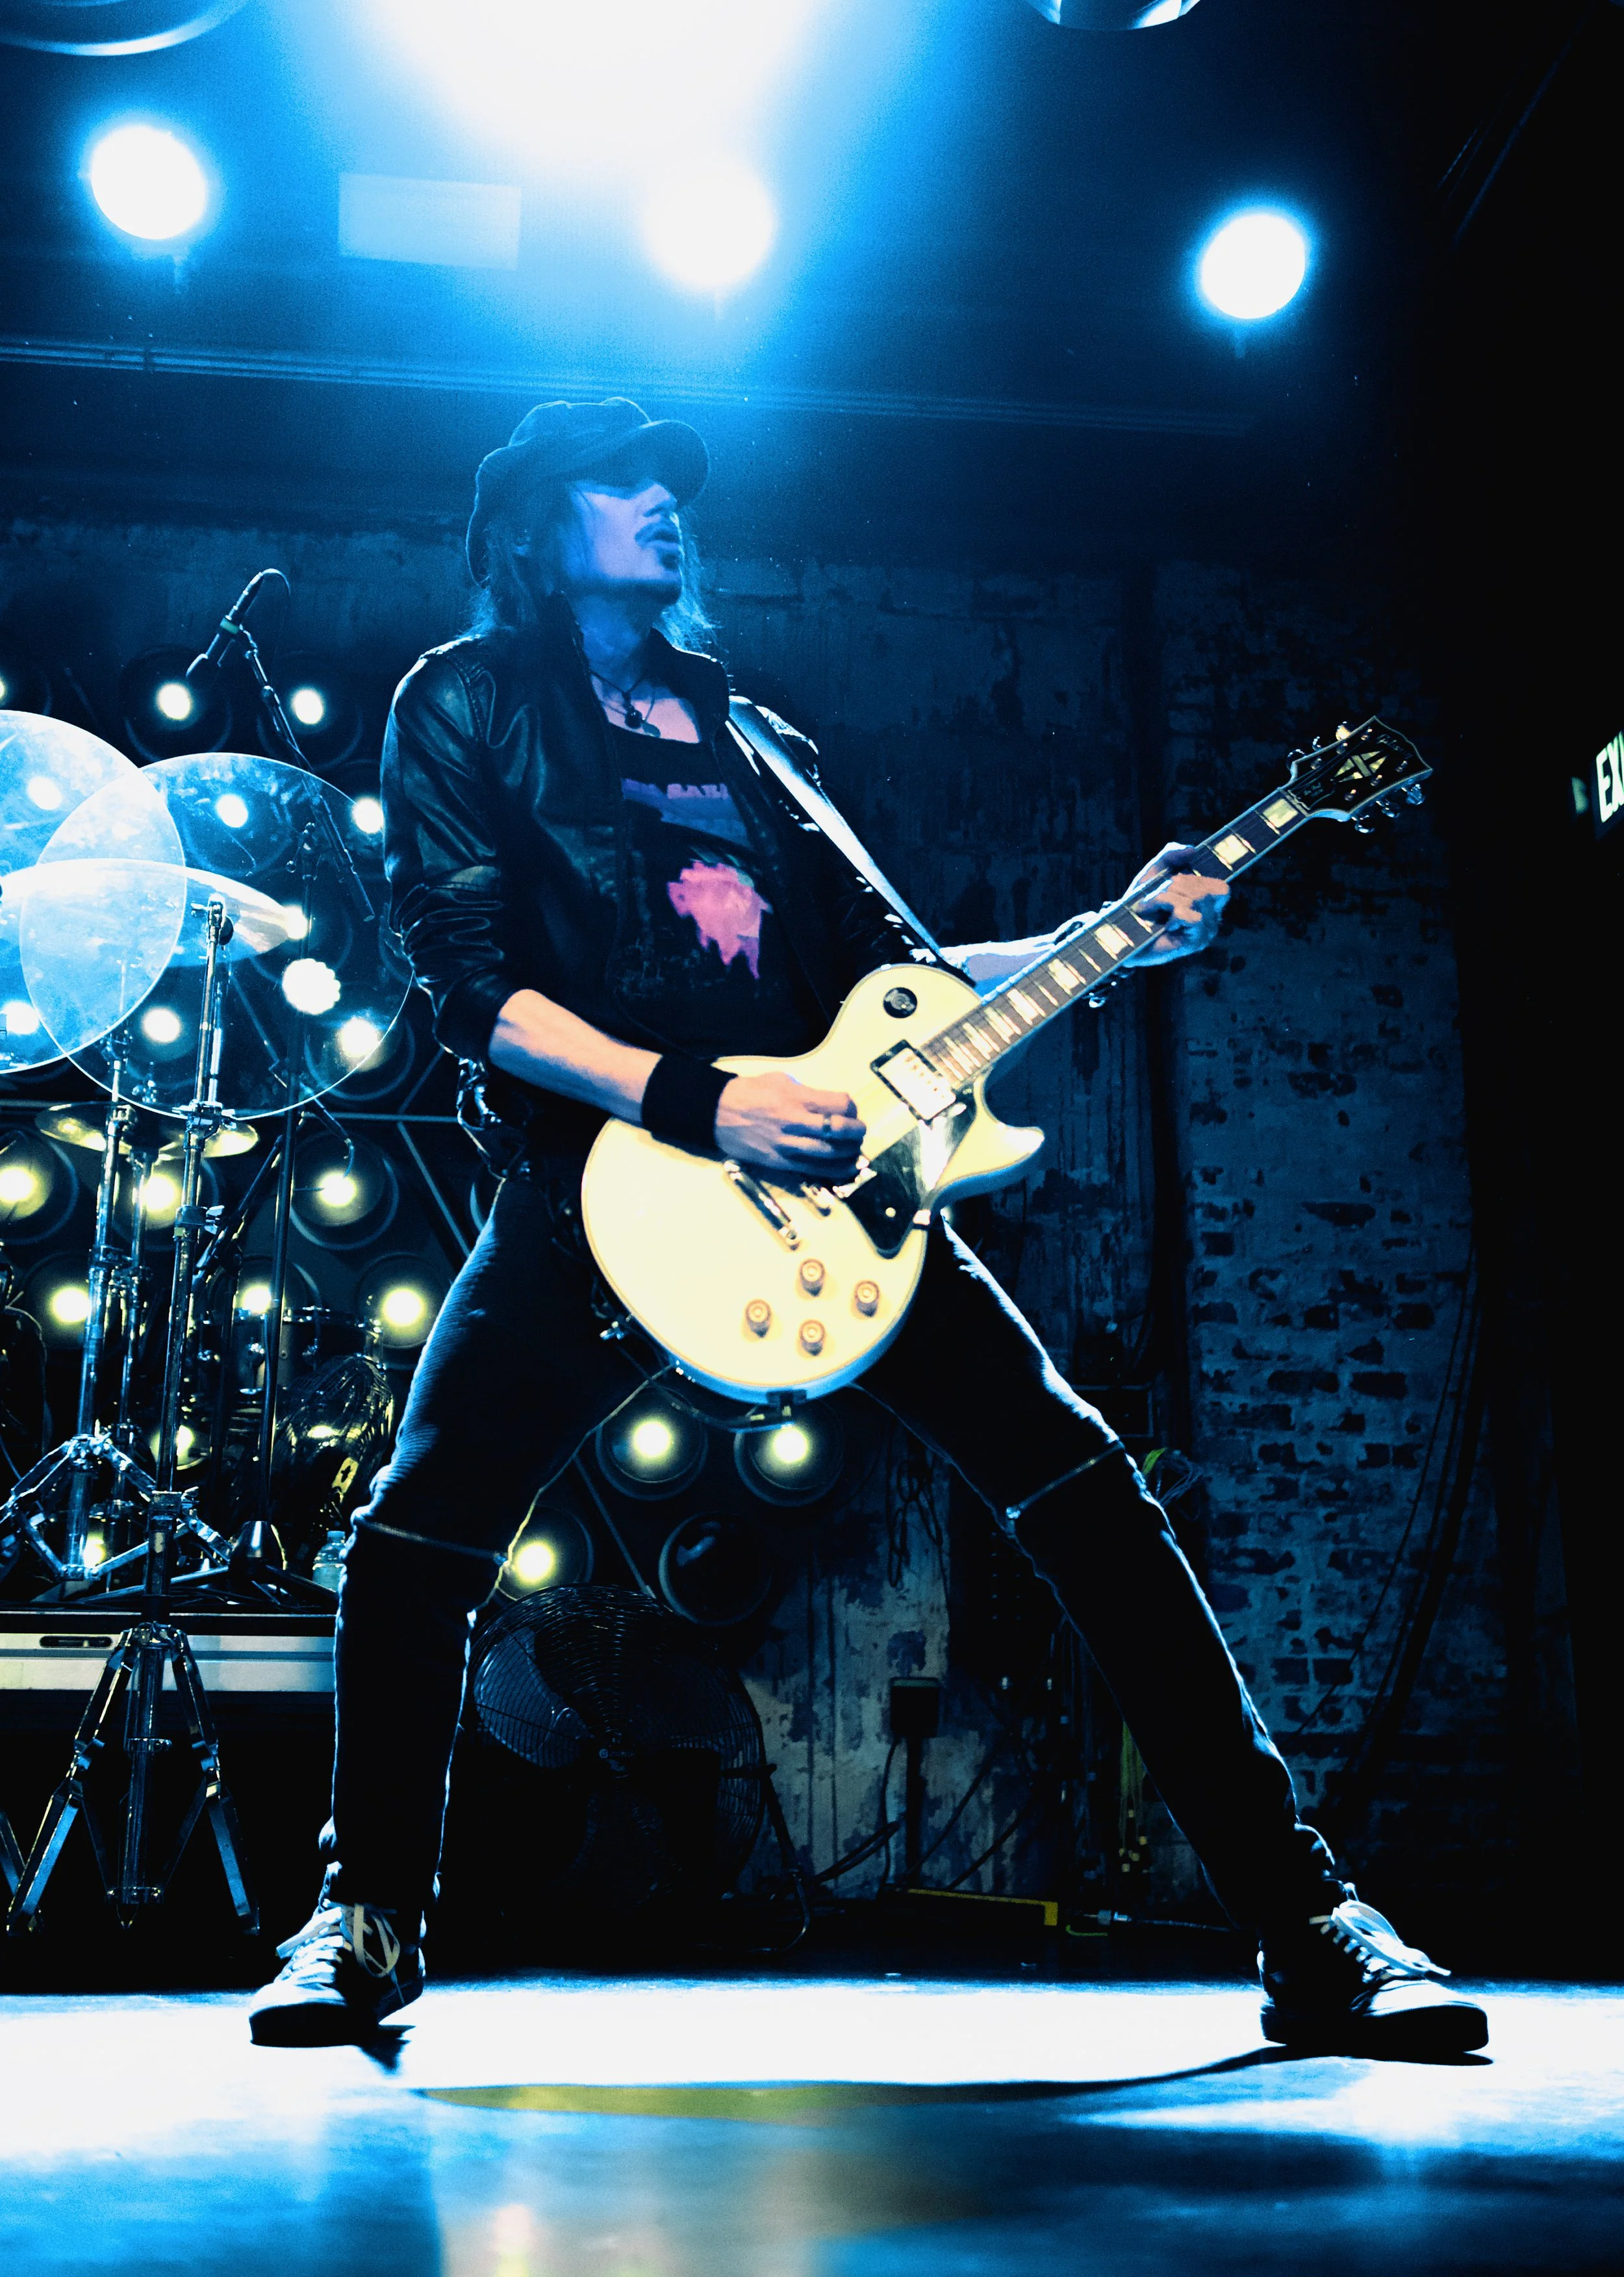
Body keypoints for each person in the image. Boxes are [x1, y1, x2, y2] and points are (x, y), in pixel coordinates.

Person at [249, 399, 1487, 2057]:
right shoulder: (464, 700)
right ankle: (366, 1919)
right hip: (596, 1188)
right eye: (619, 483)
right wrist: (700, 1103)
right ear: (535, 527)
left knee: (1093, 1504)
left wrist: (1112, 929)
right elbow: (474, 993)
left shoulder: (757, 740)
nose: (662, 505)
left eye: (672, 485)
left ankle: (1307, 1920)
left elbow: (902, 987)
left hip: (847, 1196)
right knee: (416, 1542)